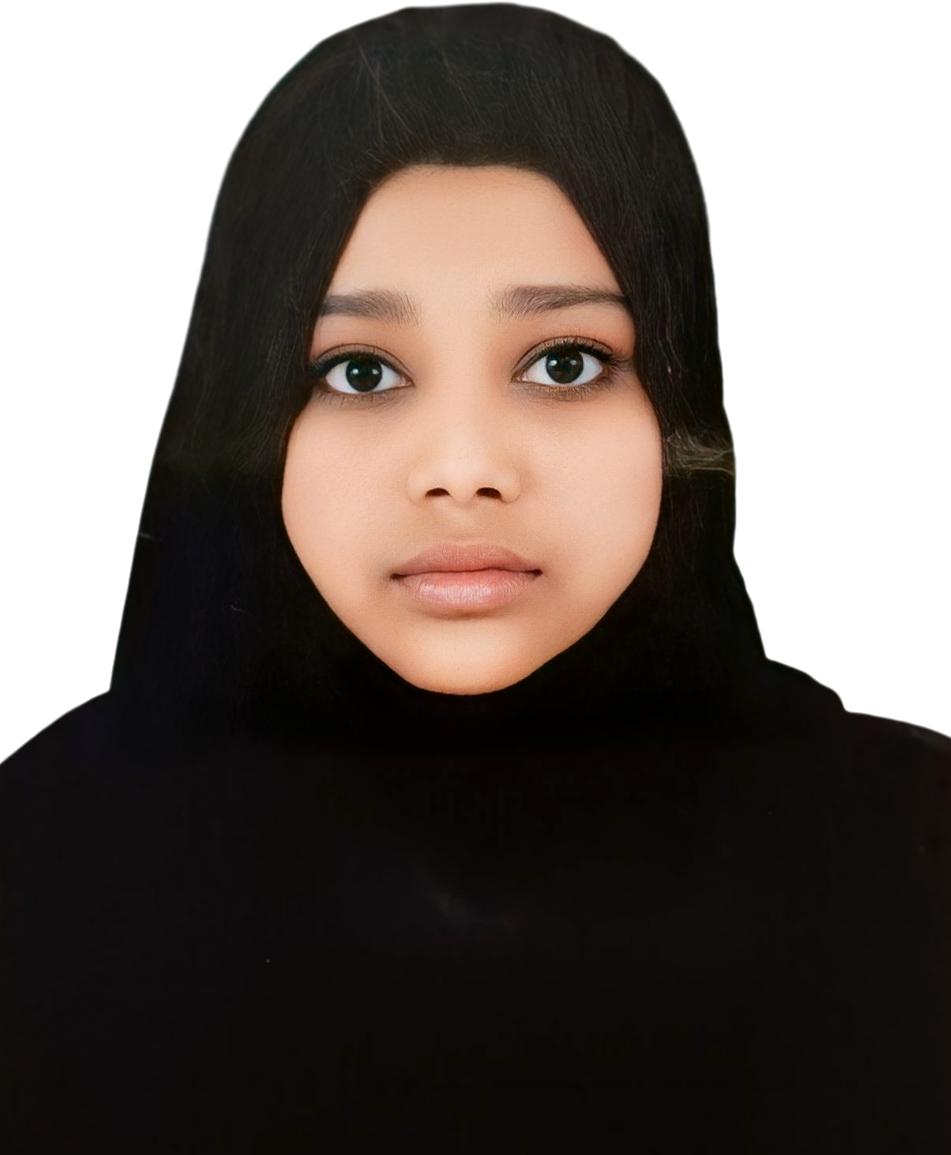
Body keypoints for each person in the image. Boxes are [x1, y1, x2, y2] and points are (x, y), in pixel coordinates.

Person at [1, 5, 949, 1152]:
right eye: (359, 371)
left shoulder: (915, 859)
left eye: (565, 363)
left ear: (678, 399)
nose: (463, 468)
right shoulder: (40, 866)